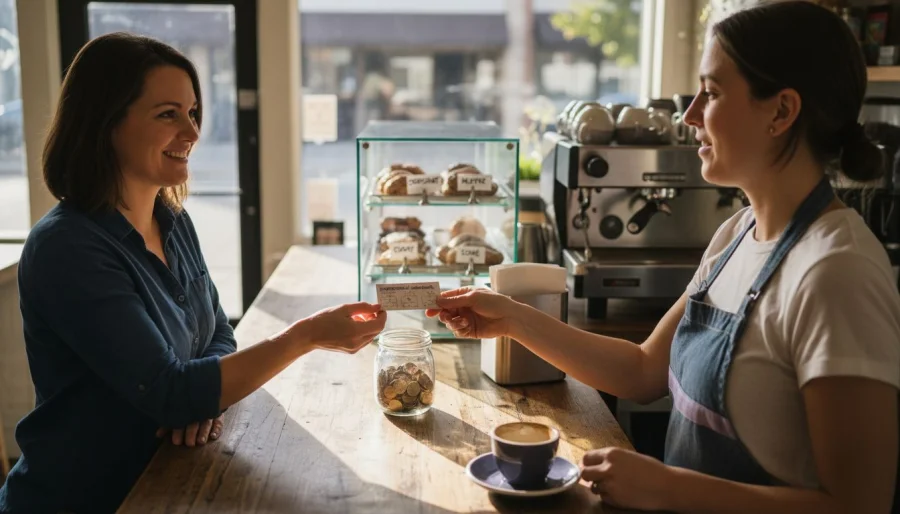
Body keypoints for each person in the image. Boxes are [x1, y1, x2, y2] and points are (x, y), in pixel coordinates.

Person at [428, 2, 899, 513]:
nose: (690, 113)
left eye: (712, 92)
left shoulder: (837, 272)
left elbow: (859, 505)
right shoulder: (736, 234)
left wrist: (668, 488)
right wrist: (513, 318)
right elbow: (642, 370)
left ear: (781, 111)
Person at [0, 33, 385, 513]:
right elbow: (169, 392)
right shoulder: (67, 248)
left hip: (170, 477)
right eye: (168, 114)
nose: (193, 131)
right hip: (88, 498)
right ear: (104, 123)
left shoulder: (173, 220)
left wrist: (197, 397)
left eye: (192, 112)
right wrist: (304, 337)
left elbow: (217, 333)